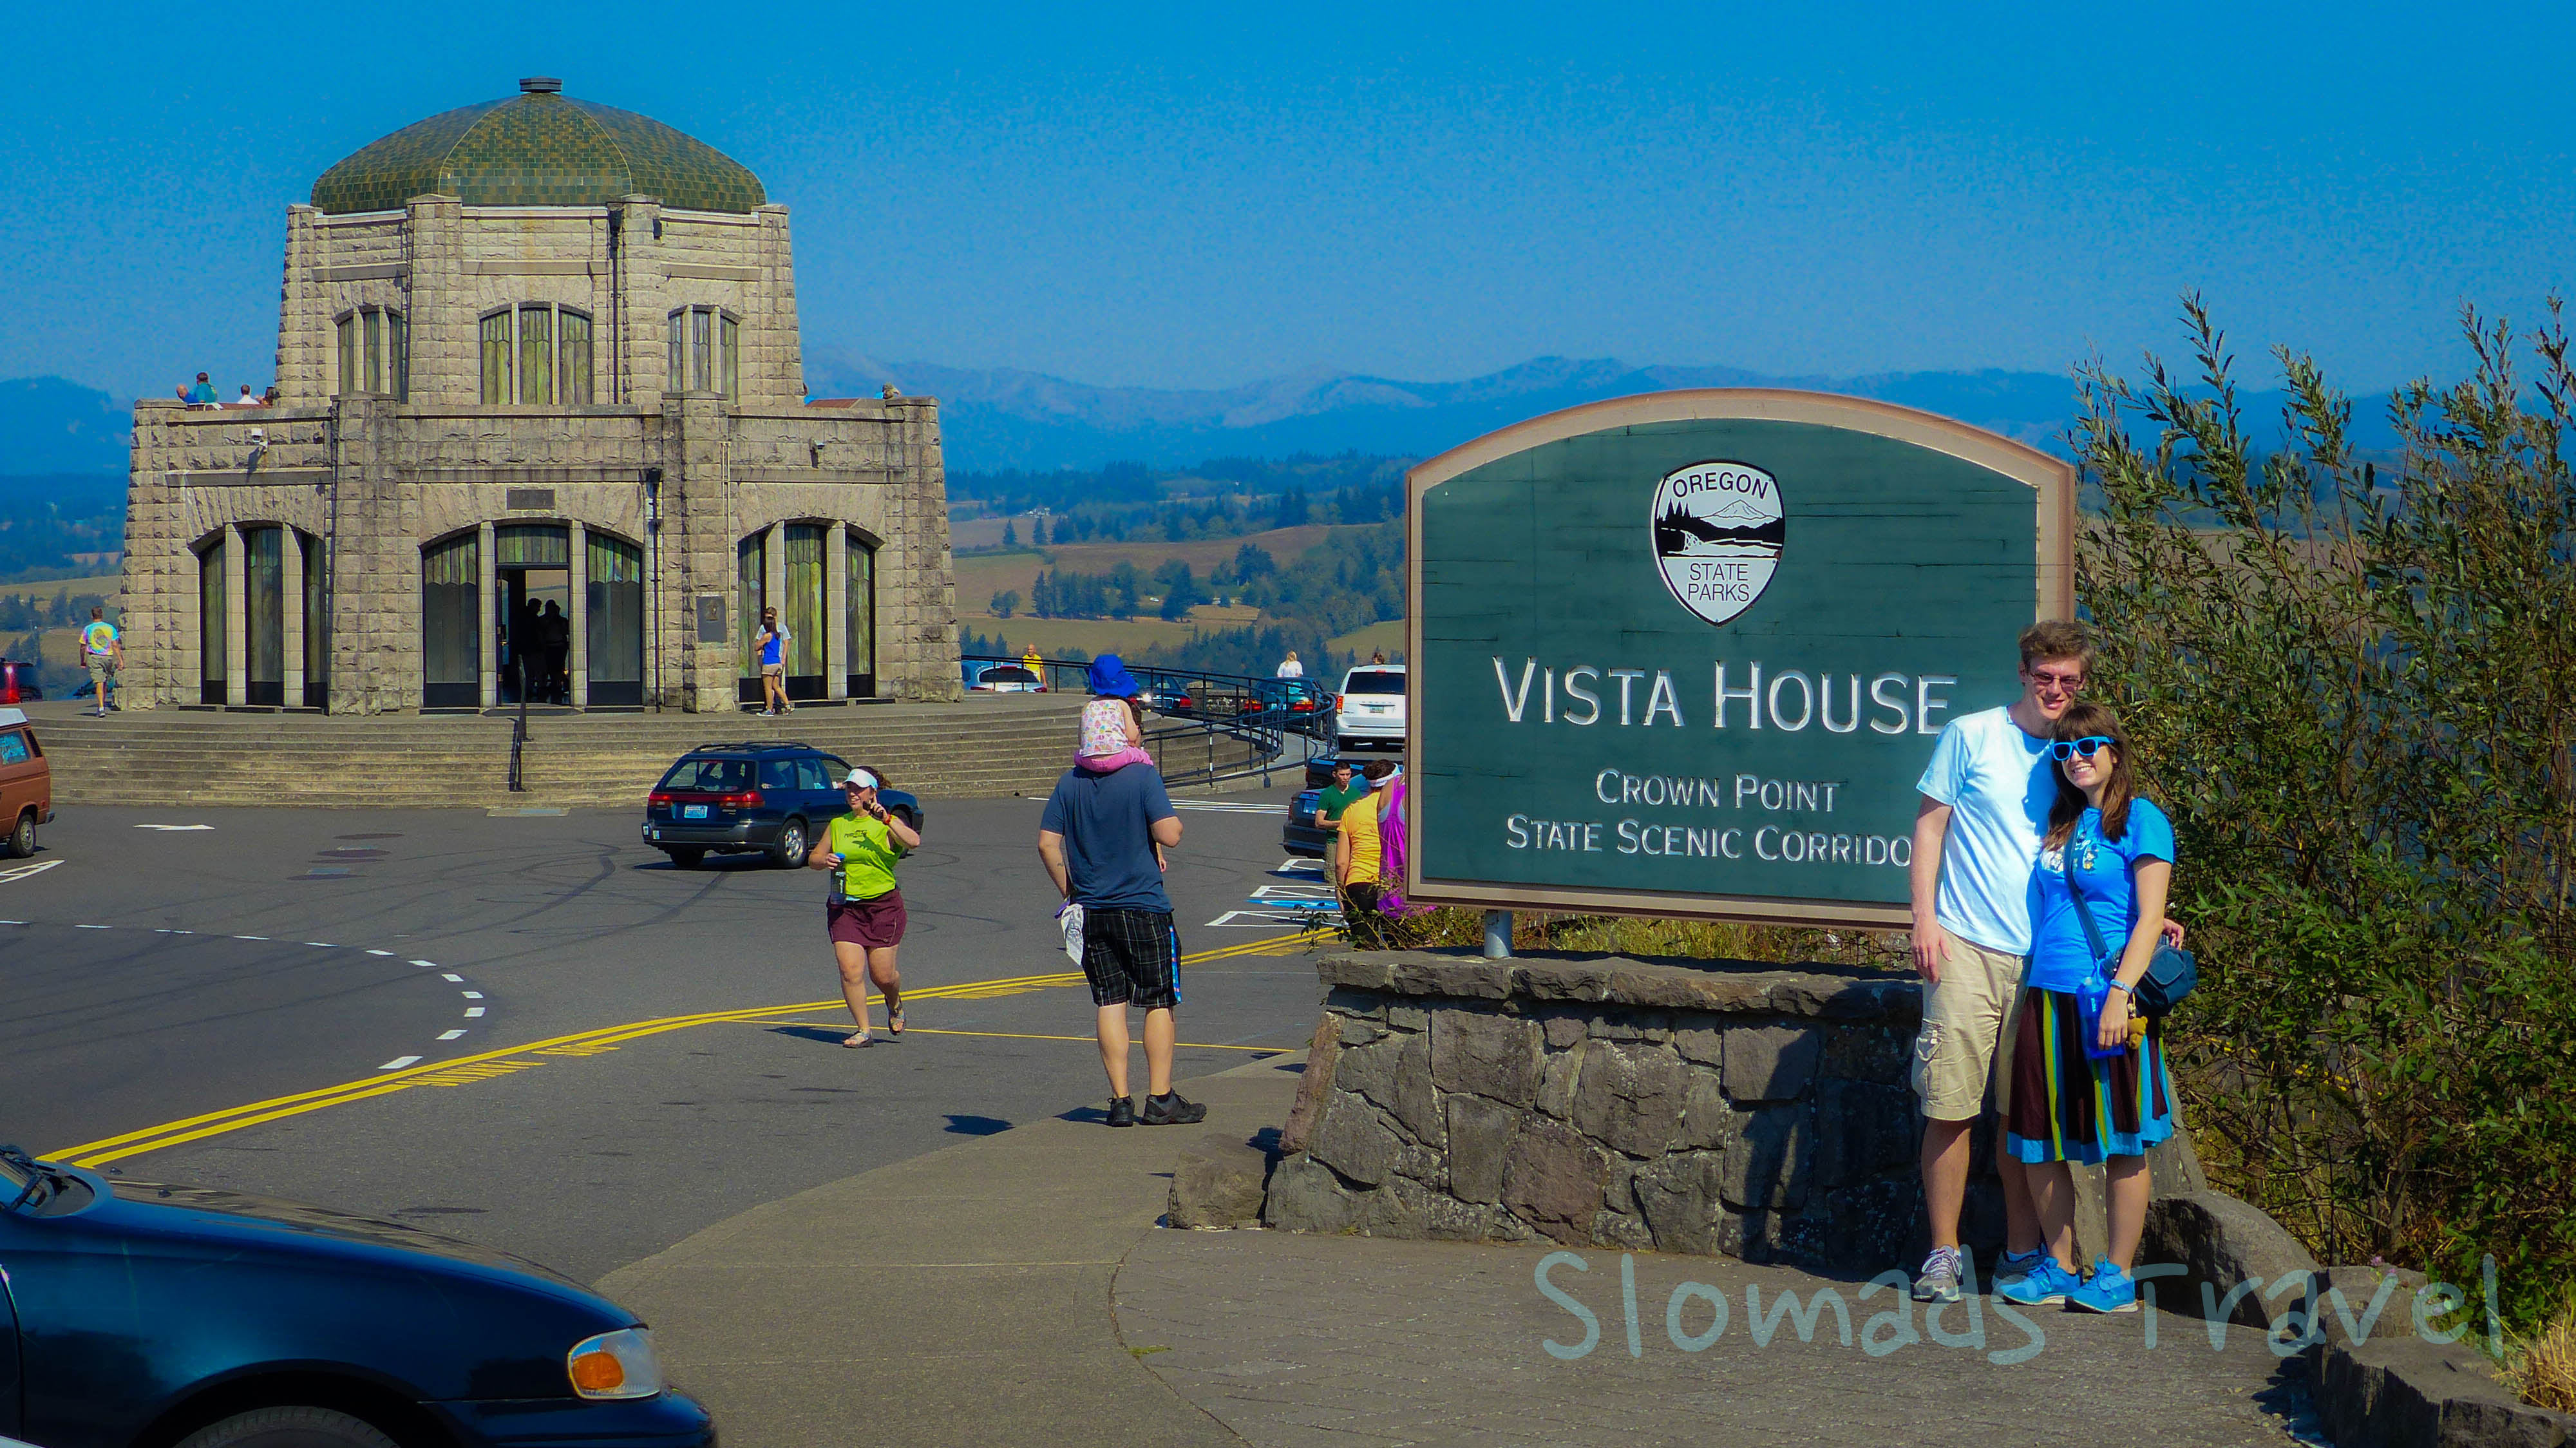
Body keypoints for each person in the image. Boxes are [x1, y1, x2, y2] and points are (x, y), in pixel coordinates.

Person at [1905, 618, 2089, 1304]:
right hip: (1965, 944)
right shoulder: (1971, 734)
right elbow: (1930, 826)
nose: (2054, 689)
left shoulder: (2079, 753)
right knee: (1950, 1106)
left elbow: (2110, 841)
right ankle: (1943, 1254)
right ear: (2023, 672)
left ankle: (2019, 1252)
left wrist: (2146, 913)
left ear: (2081, 683)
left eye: (2067, 680)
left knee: (2023, 1117)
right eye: (2044, 676)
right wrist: (1923, 917)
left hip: (2043, 958)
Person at [1998, 704, 2177, 1313]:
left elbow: (2151, 915)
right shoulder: (2063, 824)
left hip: (2106, 999)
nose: (2075, 758)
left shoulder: (2142, 820)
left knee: (2124, 1139)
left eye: (2087, 746)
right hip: (2046, 998)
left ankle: (2119, 1277)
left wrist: (2123, 993)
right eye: (2063, 751)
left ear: (2115, 752)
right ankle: (2060, 1267)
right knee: (2038, 1138)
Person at [1037, 702, 1200, 1129]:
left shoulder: (1069, 782)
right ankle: (1161, 1098)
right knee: (1158, 999)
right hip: (1143, 905)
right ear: (1120, 731)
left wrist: (1069, 891)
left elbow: (1047, 844)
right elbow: (1171, 834)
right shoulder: (1142, 775)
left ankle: (1120, 1100)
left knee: (1110, 1000)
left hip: (1093, 909)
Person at [808, 767, 921, 1047]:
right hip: (845, 906)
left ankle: (894, 1001)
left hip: (883, 907)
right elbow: (814, 858)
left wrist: (887, 818)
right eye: (849, 789)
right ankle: (864, 1030)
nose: (853, 794)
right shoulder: (838, 824)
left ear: (873, 792)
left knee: (882, 975)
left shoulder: (885, 823)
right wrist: (825, 861)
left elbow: (914, 842)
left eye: (858, 789)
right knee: (850, 971)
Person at [1331, 759, 1397, 938]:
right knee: (1401, 948)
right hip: (1392, 881)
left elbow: (1341, 862)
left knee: (1364, 946)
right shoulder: (1398, 808)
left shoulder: (1352, 810)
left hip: (1358, 882)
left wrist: (1342, 890)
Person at [81, 607, 122, 716]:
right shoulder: (110, 628)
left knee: (99, 683)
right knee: (102, 682)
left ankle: (101, 708)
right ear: (102, 615)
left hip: (95, 657)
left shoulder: (88, 629)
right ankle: (101, 705)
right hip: (108, 658)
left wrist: (83, 660)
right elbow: (115, 645)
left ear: (92, 616)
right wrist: (120, 660)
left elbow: (82, 646)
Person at [756, 605, 793, 716]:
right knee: (776, 686)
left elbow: (757, 645)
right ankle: (787, 705)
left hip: (770, 661)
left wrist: (784, 658)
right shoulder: (776, 634)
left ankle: (770, 709)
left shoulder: (769, 634)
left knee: (768, 687)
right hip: (776, 662)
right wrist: (759, 659)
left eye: (770, 618)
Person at [1314, 759, 1366, 828]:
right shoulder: (1327, 794)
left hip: (1353, 836)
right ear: (1334, 775)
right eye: (1342, 775)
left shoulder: (1356, 793)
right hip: (1334, 837)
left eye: (1348, 774)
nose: (1345, 778)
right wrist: (1342, 823)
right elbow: (1319, 823)